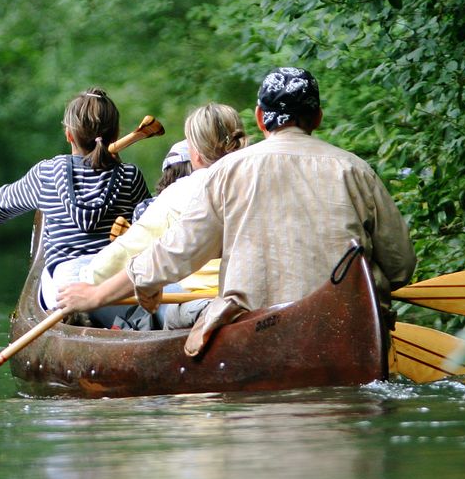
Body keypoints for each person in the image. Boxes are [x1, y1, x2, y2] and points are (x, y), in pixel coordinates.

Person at [117, 67, 416, 356]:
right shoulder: (355, 170)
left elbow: (181, 249)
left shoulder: (227, 171)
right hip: (347, 331)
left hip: (259, 334)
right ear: (318, 118)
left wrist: (143, 279)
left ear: (260, 118)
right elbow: (401, 265)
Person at [57, 103, 248, 329]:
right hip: (251, 294)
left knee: (82, 278)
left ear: (194, 153)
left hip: (197, 300)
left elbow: (124, 252)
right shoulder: (257, 182)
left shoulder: (180, 192)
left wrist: (84, 285)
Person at [0, 87, 149, 309]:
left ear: (68, 135)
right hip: (113, 286)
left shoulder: (46, 173)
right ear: (114, 134)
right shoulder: (130, 176)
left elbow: (3, 202)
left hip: (64, 286)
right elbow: (148, 224)